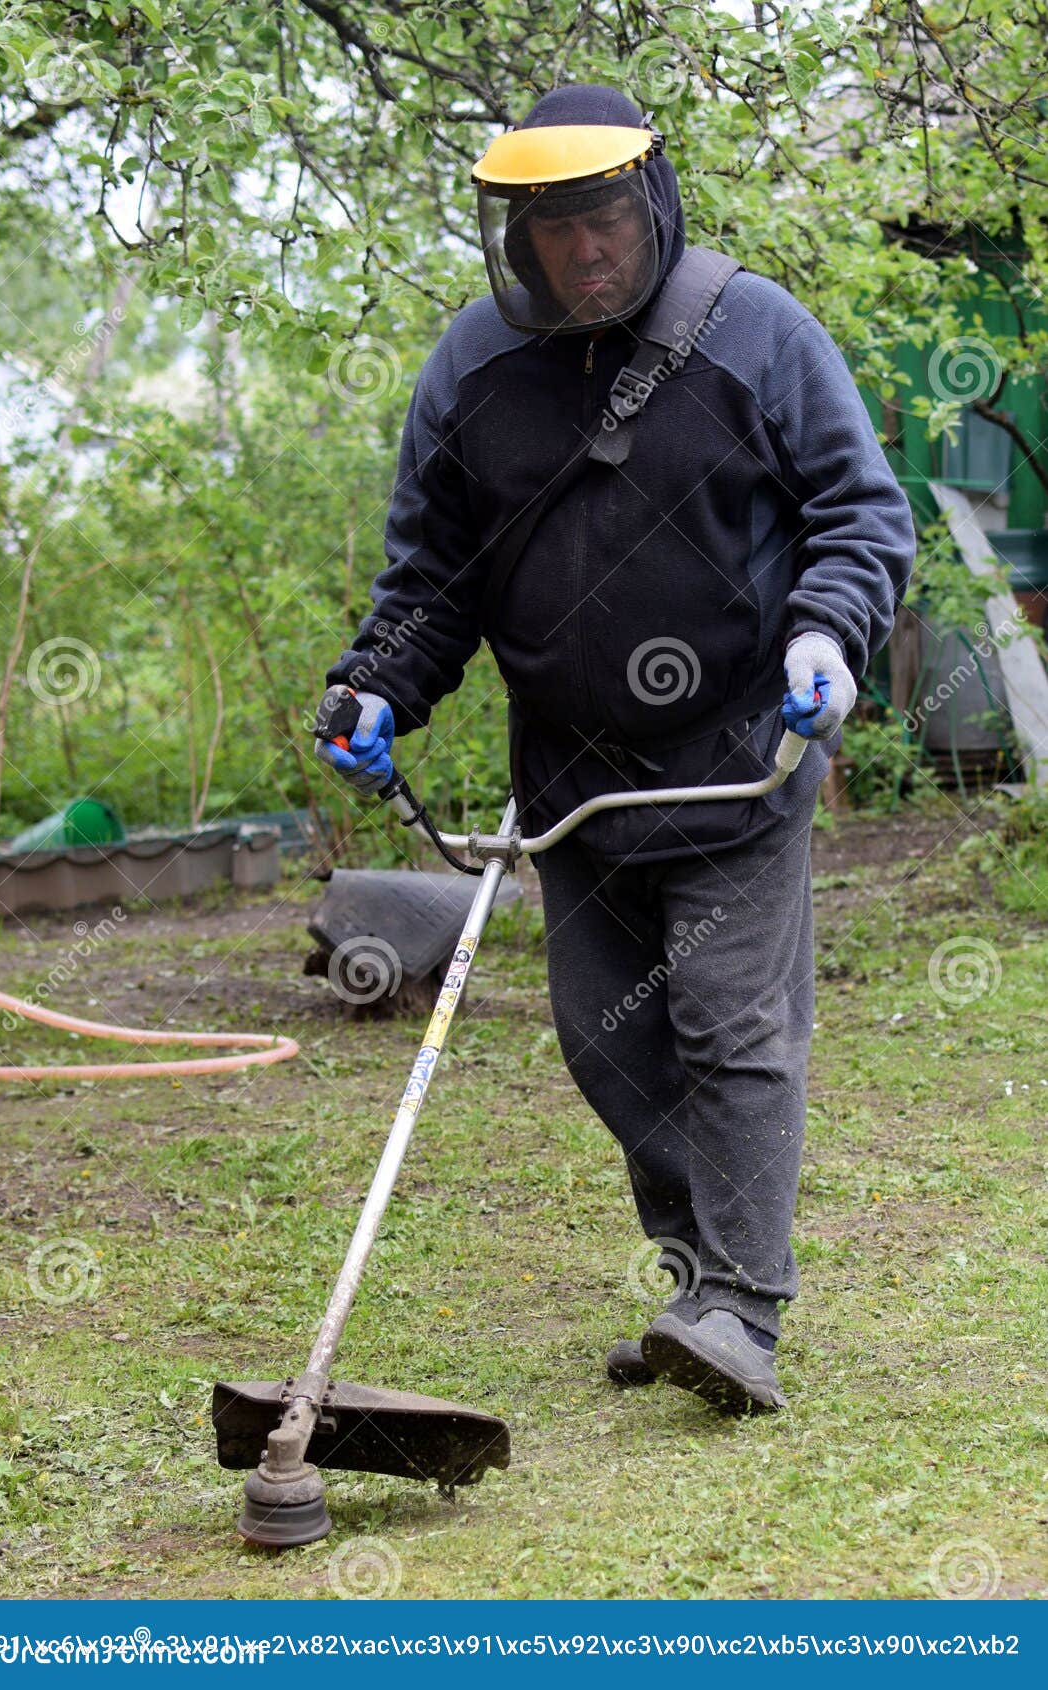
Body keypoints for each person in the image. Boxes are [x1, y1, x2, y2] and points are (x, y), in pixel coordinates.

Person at [317, 83, 916, 1413]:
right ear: (515, 239)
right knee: (606, 1039)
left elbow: (860, 511)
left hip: (743, 751)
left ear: (647, 206)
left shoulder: (756, 333)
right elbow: (430, 585)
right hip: (577, 785)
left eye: (604, 224)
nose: (586, 254)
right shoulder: (473, 373)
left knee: (729, 1019)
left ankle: (744, 1310)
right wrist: (375, 690)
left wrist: (828, 634)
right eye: (556, 234)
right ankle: (699, 1275)